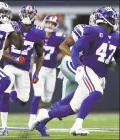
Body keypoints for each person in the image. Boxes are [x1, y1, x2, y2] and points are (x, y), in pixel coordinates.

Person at [29, 6, 119, 137]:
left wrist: (112, 63)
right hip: (82, 67)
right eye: (112, 17)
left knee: (72, 107)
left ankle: (45, 115)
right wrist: (79, 67)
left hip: (97, 73)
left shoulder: (116, 36)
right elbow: (73, 49)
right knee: (96, 92)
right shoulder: (89, 30)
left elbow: (114, 56)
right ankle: (77, 126)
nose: (115, 19)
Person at [0, 5, 45, 136]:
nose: (28, 16)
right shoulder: (12, 26)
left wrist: (36, 72)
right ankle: (4, 127)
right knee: (5, 92)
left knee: (24, 100)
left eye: (30, 14)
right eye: (26, 13)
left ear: (34, 16)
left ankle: (2, 89)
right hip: (10, 65)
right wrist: (15, 58)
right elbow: (1, 49)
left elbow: (40, 55)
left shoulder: (38, 32)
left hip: (24, 69)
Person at [28, 15, 65, 128]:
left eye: (52, 24)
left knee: (47, 99)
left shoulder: (59, 37)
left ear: (55, 26)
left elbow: (66, 46)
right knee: (38, 94)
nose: (49, 25)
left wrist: (60, 56)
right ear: (44, 23)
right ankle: (32, 119)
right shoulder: (37, 35)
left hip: (51, 70)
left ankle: (39, 119)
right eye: (48, 23)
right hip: (39, 68)